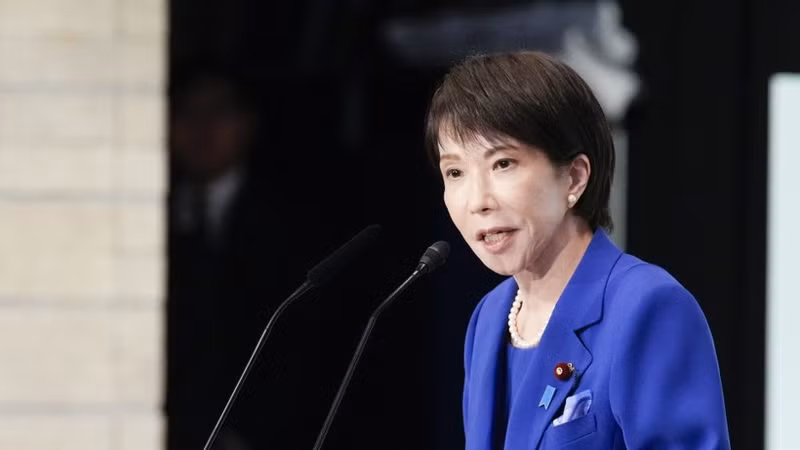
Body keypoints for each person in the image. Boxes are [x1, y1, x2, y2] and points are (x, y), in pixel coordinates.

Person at [425, 51, 730, 449]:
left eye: (503, 163)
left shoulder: (646, 307)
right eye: (455, 172)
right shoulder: (488, 318)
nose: (477, 200)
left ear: (574, 178)